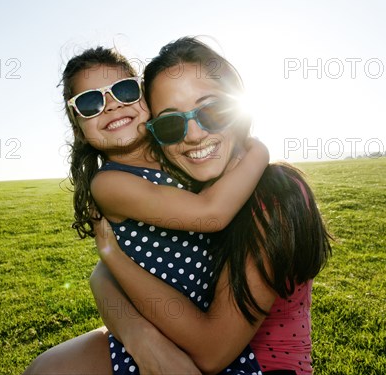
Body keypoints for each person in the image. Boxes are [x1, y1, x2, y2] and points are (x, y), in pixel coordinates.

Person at [23, 45, 270, 375]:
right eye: (90, 102)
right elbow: (210, 213)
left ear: (146, 100)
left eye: (124, 91)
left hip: (206, 324)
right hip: (168, 331)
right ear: (78, 126)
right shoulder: (110, 184)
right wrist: (260, 151)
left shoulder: (176, 153)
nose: (111, 105)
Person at [92, 37, 332, 375]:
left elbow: (212, 352)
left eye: (212, 110)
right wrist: (138, 334)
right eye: (171, 123)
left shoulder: (275, 195)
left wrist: (113, 259)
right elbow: (104, 275)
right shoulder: (189, 190)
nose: (192, 134)